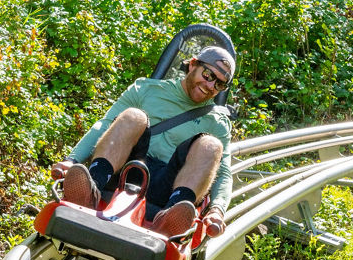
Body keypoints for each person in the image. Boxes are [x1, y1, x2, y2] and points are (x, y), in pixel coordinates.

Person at [50, 46, 235, 238]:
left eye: (220, 85)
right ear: (193, 65)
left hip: (169, 188)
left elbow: (223, 172)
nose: (210, 86)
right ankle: (91, 189)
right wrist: (72, 160)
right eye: (208, 75)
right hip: (124, 170)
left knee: (211, 145)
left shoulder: (217, 122)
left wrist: (217, 209)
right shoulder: (146, 89)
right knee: (134, 116)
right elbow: (104, 125)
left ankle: (172, 218)